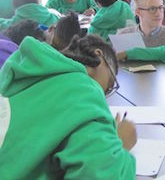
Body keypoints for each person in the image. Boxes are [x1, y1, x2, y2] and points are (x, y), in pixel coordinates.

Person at [0, 34, 136, 179]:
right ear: (99, 56)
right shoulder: (83, 87)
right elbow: (98, 174)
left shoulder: (29, 75)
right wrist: (120, 145)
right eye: (109, 86)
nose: (104, 95)